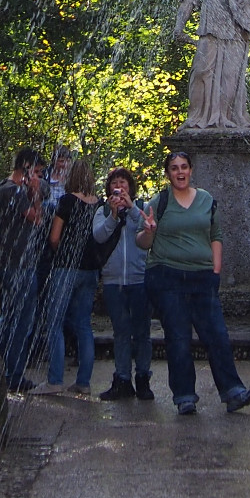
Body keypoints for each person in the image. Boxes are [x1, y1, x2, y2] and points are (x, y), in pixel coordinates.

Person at [137, 150, 250, 415]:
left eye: (184, 167)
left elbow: (216, 234)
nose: (179, 172)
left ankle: (233, 391)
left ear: (191, 170)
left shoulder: (206, 200)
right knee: (178, 337)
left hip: (202, 278)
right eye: (174, 168)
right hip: (167, 277)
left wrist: (215, 270)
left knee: (217, 334)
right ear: (168, 174)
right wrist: (149, 231)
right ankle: (184, 396)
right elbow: (142, 243)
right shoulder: (159, 202)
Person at [0, 147, 46, 391]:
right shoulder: (19, 191)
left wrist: (1, 242)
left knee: (7, 317)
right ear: (28, 169)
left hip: (5, 261)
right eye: (38, 173)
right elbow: (37, 218)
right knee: (22, 320)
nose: (40, 178)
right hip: (21, 264)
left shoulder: (0, 188)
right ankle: (14, 375)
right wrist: (35, 194)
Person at [40, 157, 102, 396]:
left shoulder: (66, 201)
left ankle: (55, 380)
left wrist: (61, 254)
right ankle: (83, 382)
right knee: (84, 325)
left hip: (66, 268)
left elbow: (54, 237)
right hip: (90, 271)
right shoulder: (99, 204)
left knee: (54, 323)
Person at [91, 168, 153, 402]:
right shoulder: (103, 211)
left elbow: (146, 229)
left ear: (130, 187)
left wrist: (132, 209)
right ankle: (122, 379)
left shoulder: (142, 209)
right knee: (121, 332)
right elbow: (98, 236)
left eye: (124, 183)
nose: (120, 187)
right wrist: (113, 216)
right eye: (115, 184)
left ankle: (143, 378)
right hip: (113, 281)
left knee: (142, 332)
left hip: (139, 280)